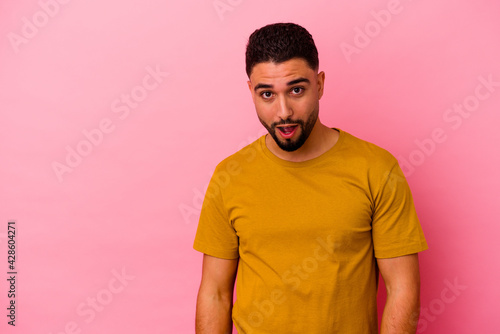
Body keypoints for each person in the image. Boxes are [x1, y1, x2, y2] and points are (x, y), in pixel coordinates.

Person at [193, 22, 428, 334]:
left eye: (296, 90)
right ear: (251, 91)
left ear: (319, 84)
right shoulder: (230, 176)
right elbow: (215, 293)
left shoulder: (377, 169)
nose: (284, 111)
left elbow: (402, 289)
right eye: (267, 94)